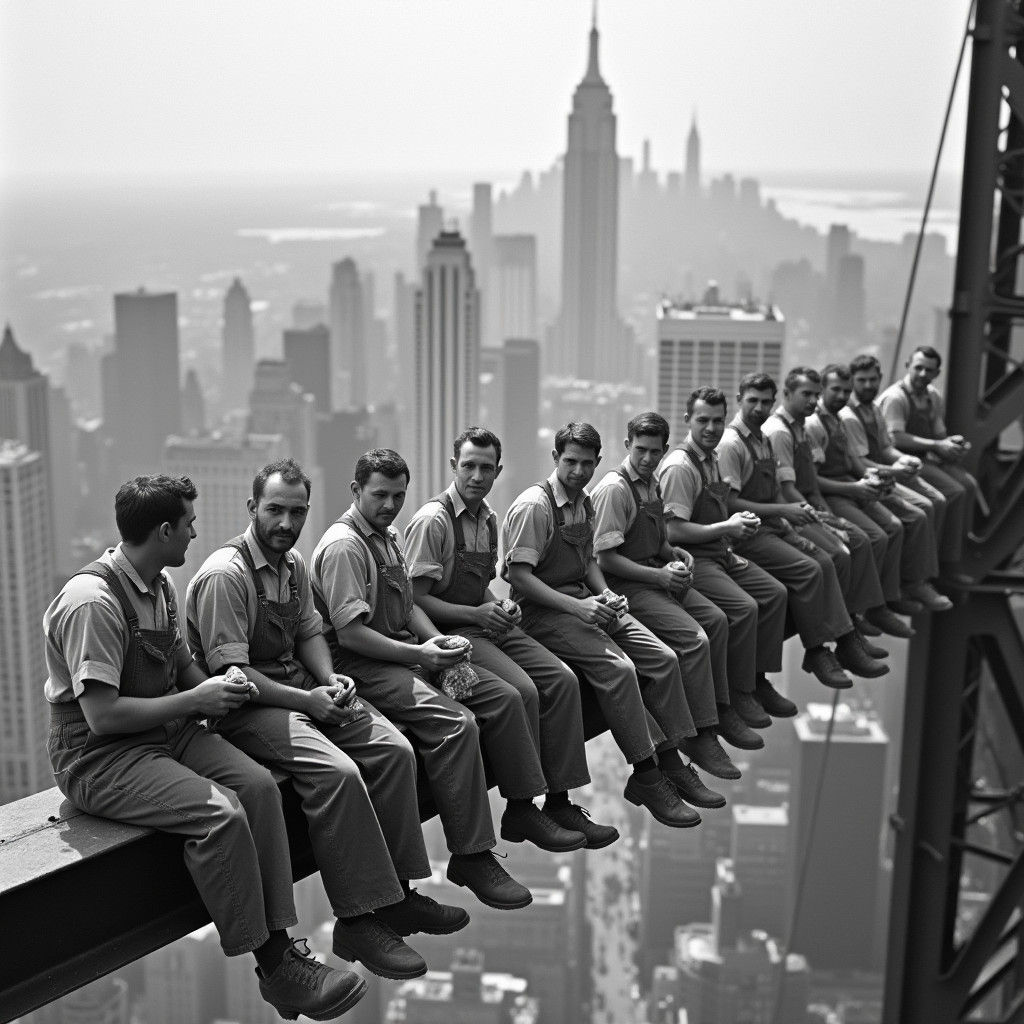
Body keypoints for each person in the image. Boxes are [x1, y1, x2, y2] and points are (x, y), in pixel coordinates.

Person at [43, 475, 366, 1021]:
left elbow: (181, 664)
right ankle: (273, 966)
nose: (196, 533)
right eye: (188, 524)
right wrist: (195, 697)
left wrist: (225, 687)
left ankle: (285, 942)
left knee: (259, 787)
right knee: (219, 815)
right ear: (164, 530)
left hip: (165, 731)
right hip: (100, 757)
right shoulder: (92, 602)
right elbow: (102, 717)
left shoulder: (160, 584)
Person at [186, 458, 468, 982]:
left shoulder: (292, 565)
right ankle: (358, 918)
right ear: (252, 508)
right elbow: (233, 673)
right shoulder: (227, 577)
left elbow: (310, 633)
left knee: (393, 750)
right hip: (247, 707)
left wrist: (326, 681)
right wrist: (307, 702)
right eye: (274, 510)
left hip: (299, 687)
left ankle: (399, 894)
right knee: (337, 774)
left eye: (297, 512)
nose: (286, 523)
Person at [310, 449, 535, 912]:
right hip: (361, 666)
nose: (390, 505)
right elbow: (351, 633)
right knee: (456, 724)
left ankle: (525, 806)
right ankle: (467, 857)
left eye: (397, 495)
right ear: (355, 491)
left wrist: (439, 645)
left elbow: (409, 601)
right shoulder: (344, 546)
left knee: (497, 693)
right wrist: (419, 654)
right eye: (380, 495)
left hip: (404, 653)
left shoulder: (386, 538)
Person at [404, 427, 619, 849]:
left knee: (561, 679)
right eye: (469, 466)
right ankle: (521, 809)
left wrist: (499, 606)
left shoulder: (487, 518)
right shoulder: (433, 521)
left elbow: (479, 585)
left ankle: (560, 799)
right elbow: (414, 601)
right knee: (520, 691)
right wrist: (477, 614)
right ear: (453, 467)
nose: (477, 476)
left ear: (498, 471)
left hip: (485, 621)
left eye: (487, 468)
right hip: (451, 632)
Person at [502, 421, 707, 828]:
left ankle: (672, 758)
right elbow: (518, 577)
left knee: (663, 658)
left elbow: (591, 560)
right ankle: (649, 774)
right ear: (555, 458)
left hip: (584, 599)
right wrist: (578, 608)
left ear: (598, 462)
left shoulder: (584, 501)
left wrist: (604, 594)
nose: (578, 472)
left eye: (586, 464)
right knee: (620, 669)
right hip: (544, 612)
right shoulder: (534, 507)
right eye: (570, 462)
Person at [591, 411, 753, 789]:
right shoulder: (616, 489)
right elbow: (605, 558)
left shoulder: (651, 484)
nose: (647, 459)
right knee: (694, 640)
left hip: (656, 573)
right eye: (641, 450)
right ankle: (697, 735)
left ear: (664, 451)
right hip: (627, 585)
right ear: (628, 445)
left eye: (654, 452)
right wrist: (659, 575)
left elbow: (659, 535)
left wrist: (674, 553)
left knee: (716, 619)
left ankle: (721, 708)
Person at [715, 375, 889, 686]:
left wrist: (794, 517)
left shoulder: (763, 440)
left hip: (774, 525)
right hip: (748, 534)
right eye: (752, 400)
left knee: (826, 559)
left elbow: (777, 491)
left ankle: (845, 635)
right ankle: (822, 648)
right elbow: (730, 504)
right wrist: (785, 511)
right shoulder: (732, 444)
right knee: (809, 571)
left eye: (765, 401)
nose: (759, 407)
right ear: (739, 398)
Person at [656, 388, 795, 722]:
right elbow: (674, 531)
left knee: (775, 594)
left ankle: (757, 680)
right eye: (703, 420)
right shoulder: (680, 466)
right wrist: (727, 528)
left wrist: (732, 533)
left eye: (718, 420)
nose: (711, 428)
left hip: (719, 552)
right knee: (743, 609)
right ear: (688, 420)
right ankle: (730, 698)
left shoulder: (713, 459)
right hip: (691, 559)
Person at [762, 368, 915, 640]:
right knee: (841, 551)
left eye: (815, 394)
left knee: (867, 536)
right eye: (806, 394)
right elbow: (788, 491)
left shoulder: (804, 427)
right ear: (786, 394)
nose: (812, 400)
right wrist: (827, 521)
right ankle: (836, 635)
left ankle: (860, 613)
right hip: (792, 510)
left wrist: (832, 516)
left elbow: (810, 481)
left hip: (813, 502)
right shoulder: (783, 432)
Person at [815, 363, 951, 613]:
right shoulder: (837, 419)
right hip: (837, 491)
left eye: (872, 380)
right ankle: (868, 606)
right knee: (880, 532)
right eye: (838, 389)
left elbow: (859, 459)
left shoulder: (853, 414)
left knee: (924, 509)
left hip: (860, 480)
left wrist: (886, 472)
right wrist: (881, 476)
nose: (843, 396)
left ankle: (908, 582)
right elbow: (810, 482)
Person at [878, 345, 978, 568]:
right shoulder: (896, 398)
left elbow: (939, 432)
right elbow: (896, 438)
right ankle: (938, 561)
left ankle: (953, 552)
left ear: (937, 373)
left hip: (925, 458)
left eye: (929, 370)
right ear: (908, 366)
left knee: (968, 484)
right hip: (900, 459)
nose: (923, 374)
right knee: (953, 491)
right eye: (918, 368)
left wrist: (952, 445)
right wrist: (937, 444)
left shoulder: (933, 396)